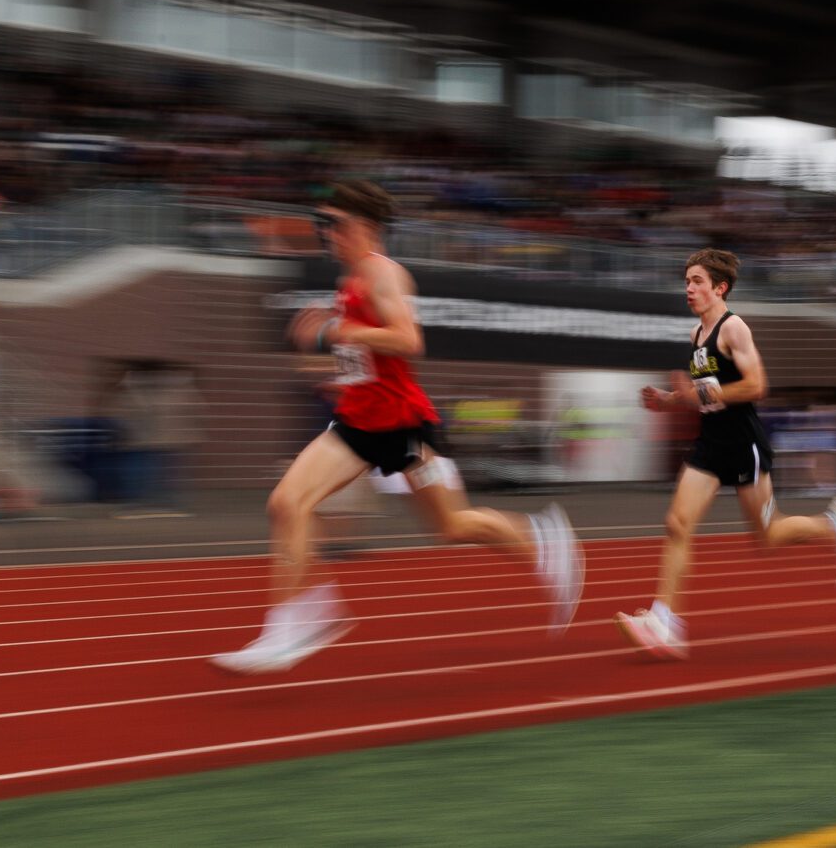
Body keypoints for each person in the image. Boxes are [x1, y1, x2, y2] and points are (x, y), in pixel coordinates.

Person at [211, 181, 582, 675]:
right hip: (357, 424)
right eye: (322, 223)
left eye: (333, 223)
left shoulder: (385, 274)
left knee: (453, 526)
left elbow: (408, 340)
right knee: (286, 503)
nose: (326, 233)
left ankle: (542, 538)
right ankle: (297, 622)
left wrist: (338, 331)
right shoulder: (351, 281)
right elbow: (368, 359)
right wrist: (340, 377)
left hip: (403, 428)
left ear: (363, 226)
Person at [615, 248, 836, 660]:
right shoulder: (696, 336)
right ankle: (665, 622)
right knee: (677, 523)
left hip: (743, 443)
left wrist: (700, 393)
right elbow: (701, 396)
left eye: (697, 281)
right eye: (687, 281)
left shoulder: (734, 329)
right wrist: (669, 400)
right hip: (710, 443)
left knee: (768, 536)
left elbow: (756, 386)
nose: (689, 289)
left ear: (720, 287)